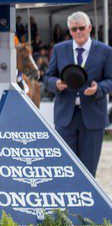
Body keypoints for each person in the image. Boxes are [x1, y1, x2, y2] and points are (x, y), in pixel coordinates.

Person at [43, 11, 111, 175]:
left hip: (93, 117)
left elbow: (110, 80)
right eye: (74, 29)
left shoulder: (105, 51)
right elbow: (48, 77)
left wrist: (98, 89)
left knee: (88, 171)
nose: (78, 32)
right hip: (65, 117)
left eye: (81, 28)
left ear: (89, 28)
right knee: (65, 169)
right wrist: (56, 84)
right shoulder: (59, 50)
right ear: (70, 31)